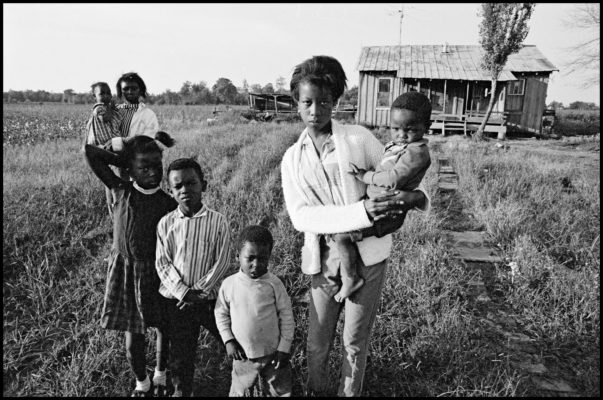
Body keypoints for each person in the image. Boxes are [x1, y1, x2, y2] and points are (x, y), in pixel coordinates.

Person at [280, 55, 430, 396]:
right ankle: (317, 391)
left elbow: (403, 170)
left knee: (354, 342)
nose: (315, 110)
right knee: (317, 342)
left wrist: (415, 197)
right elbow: (301, 216)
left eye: (324, 102)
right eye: (307, 102)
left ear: (335, 101)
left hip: (368, 253)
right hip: (324, 256)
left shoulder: (358, 138)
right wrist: (361, 211)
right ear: (296, 104)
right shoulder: (292, 158)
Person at [84, 131, 177, 397]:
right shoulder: (120, 189)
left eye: (157, 165)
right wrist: (122, 157)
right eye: (143, 167)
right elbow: (89, 152)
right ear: (130, 169)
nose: (153, 172)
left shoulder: (168, 204)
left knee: (163, 327)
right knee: (133, 335)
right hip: (126, 272)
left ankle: (160, 375)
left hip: (157, 274)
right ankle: (142, 383)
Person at [330, 91, 432, 302]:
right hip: (376, 204)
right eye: (395, 128)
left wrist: (364, 176)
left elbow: (393, 179)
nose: (401, 135)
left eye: (410, 129)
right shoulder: (399, 146)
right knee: (341, 233)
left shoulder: (417, 152)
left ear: (426, 127)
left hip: (386, 212)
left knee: (342, 236)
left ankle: (351, 279)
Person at [155, 158, 232, 397]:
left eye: (191, 183)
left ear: (204, 185)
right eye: (178, 186)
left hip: (208, 300)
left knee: (231, 338)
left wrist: (199, 292)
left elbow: (222, 260)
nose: (185, 190)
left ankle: (247, 379)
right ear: (170, 190)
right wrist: (184, 293)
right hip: (178, 303)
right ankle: (181, 391)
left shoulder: (218, 221)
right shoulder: (166, 224)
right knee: (180, 354)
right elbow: (162, 263)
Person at [214, 225, 294, 397]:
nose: (256, 264)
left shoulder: (274, 284)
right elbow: (220, 313)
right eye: (250, 258)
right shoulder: (229, 284)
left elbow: (287, 316)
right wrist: (228, 340)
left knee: (280, 391)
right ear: (238, 256)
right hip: (243, 355)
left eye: (262, 258)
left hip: (273, 354)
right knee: (240, 391)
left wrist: (284, 347)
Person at [84, 81, 127, 216]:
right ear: (94, 96)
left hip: (113, 146)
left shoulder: (112, 110)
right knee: (113, 179)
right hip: (103, 148)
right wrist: (110, 108)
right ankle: (116, 210)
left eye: (108, 93)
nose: (106, 96)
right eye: (102, 93)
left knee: (114, 178)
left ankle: (119, 209)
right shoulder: (99, 108)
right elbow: (106, 118)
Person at [115, 72, 159, 139]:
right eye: (125, 89)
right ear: (121, 91)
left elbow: (149, 139)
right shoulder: (115, 111)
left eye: (134, 88)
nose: (130, 92)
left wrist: (125, 142)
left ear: (140, 90)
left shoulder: (149, 115)